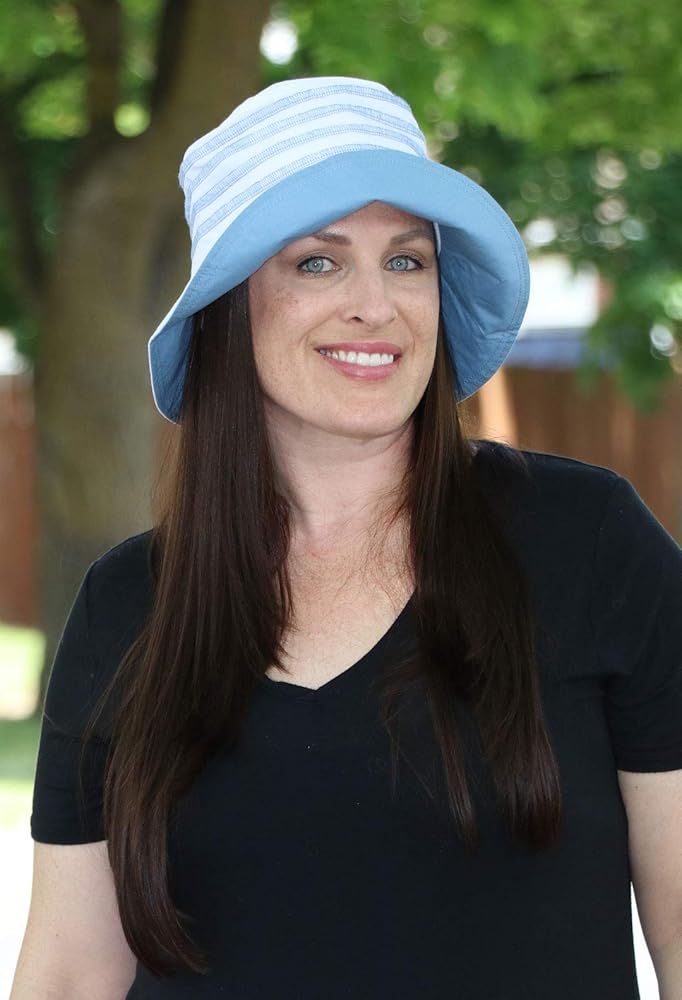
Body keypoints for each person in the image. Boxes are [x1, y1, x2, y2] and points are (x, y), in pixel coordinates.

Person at [11, 76, 682, 1000]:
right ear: (230, 307)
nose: (376, 305)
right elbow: (69, 976)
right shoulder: (127, 607)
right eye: (318, 263)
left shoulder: (589, 542)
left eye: (406, 260)